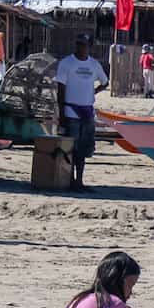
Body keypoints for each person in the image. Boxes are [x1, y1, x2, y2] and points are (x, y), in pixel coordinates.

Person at [55, 33, 108, 192]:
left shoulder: (94, 64)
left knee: (84, 149)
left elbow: (105, 82)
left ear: (89, 47)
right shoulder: (67, 63)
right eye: (79, 44)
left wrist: (93, 92)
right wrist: (62, 113)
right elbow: (60, 89)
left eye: (84, 45)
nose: (81, 47)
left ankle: (79, 180)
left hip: (87, 110)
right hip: (71, 110)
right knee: (71, 148)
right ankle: (69, 179)